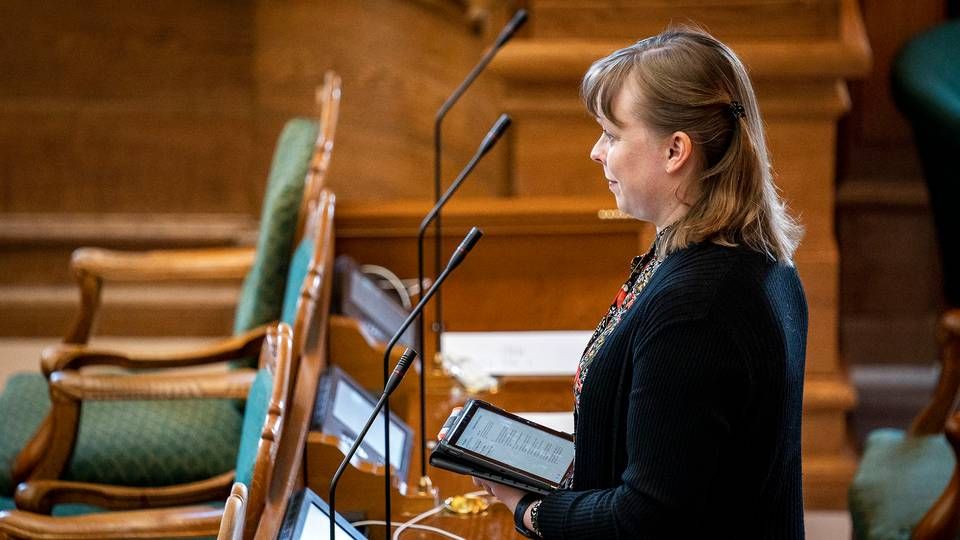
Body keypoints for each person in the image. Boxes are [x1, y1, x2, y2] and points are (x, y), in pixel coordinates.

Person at [474, 27, 808, 539]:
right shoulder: (736, 255)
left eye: (612, 134)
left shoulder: (698, 308)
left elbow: (647, 519)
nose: (596, 152)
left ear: (676, 151)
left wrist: (528, 510)